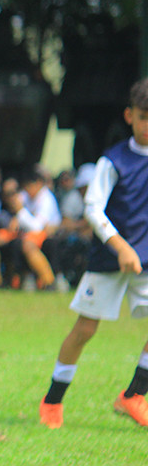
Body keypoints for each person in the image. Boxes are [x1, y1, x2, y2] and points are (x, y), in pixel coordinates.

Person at [39, 78, 148, 429]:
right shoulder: (113, 161)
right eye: (144, 117)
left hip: (145, 259)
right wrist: (120, 246)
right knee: (85, 329)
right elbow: (93, 209)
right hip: (110, 259)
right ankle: (52, 401)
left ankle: (134, 395)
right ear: (129, 116)